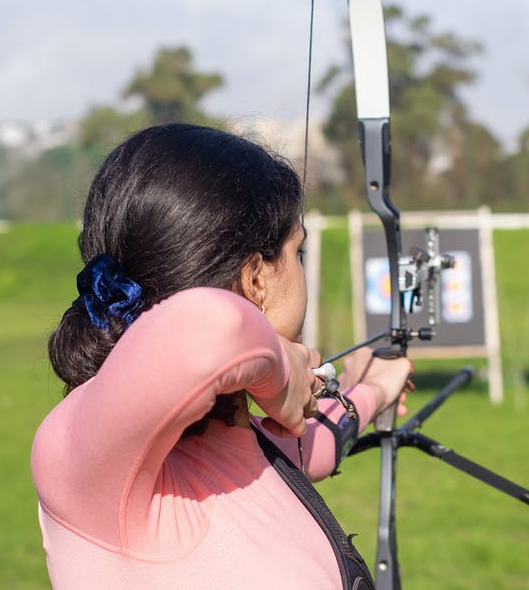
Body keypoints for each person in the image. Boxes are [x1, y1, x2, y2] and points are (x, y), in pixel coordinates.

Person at [31, 123, 413, 589]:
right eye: (298, 251)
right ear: (256, 278)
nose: (302, 267)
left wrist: (370, 388)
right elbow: (208, 325)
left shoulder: (241, 441)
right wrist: (279, 370)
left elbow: (311, 444)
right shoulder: (84, 461)